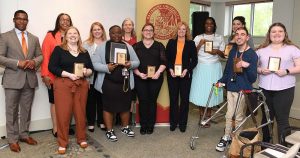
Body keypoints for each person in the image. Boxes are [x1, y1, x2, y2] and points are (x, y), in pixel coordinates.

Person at [0, 10, 43, 152]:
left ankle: (24, 134)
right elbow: (0, 57)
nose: (22, 21)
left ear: (27, 21)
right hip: (12, 79)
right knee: (11, 110)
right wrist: (18, 63)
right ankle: (12, 139)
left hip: (29, 79)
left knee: (26, 109)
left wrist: (33, 61)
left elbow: (40, 56)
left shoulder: (34, 38)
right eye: (19, 19)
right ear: (14, 20)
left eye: (25, 19)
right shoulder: (5, 37)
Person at [48, 26, 93, 154]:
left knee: (80, 113)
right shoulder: (59, 50)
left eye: (75, 33)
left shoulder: (84, 51)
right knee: (63, 114)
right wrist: (69, 74)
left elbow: (91, 68)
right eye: (70, 33)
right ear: (65, 36)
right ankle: (62, 142)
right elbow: (52, 67)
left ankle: (81, 138)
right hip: (63, 85)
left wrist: (86, 72)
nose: (73, 35)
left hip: (81, 85)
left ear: (78, 36)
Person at [93, 25, 140, 142]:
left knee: (125, 106)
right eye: (113, 33)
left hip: (125, 82)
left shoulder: (128, 46)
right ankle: (109, 130)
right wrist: (106, 67)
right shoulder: (101, 47)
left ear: (122, 34)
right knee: (108, 107)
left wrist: (130, 64)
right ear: (109, 34)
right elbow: (94, 64)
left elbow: (137, 62)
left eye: (119, 33)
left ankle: (125, 127)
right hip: (108, 83)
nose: (116, 35)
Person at [215, 27, 258, 152]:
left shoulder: (252, 54)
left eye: (242, 34)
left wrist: (246, 65)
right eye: (237, 34)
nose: (239, 36)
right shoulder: (233, 51)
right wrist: (221, 81)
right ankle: (227, 136)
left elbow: (252, 78)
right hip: (231, 87)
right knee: (229, 114)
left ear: (247, 38)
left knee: (238, 116)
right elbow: (228, 70)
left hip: (242, 89)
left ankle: (236, 139)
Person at [257, 23, 300, 143]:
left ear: (285, 33)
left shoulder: (293, 49)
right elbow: (254, 67)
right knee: (265, 120)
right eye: (273, 31)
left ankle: (284, 149)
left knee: (282, 120)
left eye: (280, 31)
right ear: (269, 34)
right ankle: (265, 146)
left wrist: (287, 71)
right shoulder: (261, 50)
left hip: (284, 90)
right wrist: (260, 70)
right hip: (264, 89)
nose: (277, 34)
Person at [41, 13, 73, 137]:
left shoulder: (73, 35)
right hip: (53, 76)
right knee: (55, 102)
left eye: (67, 20)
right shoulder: (50, 36)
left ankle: (66, 126)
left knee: (69, 102)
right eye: (62, 20)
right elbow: (45, 56)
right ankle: (56, 128)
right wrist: (44, 75)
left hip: (70, 76)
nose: (65, 22)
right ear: (58, 21)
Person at [189, 17, 225, 128]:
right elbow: (192, 54)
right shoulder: (198, 37)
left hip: (214, 68)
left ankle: (208, 116)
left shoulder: (219, 37)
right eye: (206, 23)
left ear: (214, 25)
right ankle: (201, 116)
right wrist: (199, 44)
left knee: (211, 91)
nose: (209, 25)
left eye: (211, 23)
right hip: (200, 67)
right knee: (202, 92)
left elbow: (224, 54)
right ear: (204, 25)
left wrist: (217, 51)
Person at [133, 23, 167, 135]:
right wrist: (138, 73)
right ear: (142, 32)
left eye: (151, 30)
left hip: (156, 78)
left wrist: (158, 73)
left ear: (153, 33)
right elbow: (131, 63)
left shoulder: (159, 45)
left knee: (152, 101)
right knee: (142, 101)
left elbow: (164, 62)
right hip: (140, 78)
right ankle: (143, 125)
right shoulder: (136, 46)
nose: (148, 32)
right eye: (146, 30)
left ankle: (150, 125)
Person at [166, 21, 198, 132]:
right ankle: (173, 123)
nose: (181, 31)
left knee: (184, 100)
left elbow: (195, 61)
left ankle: (183, 123)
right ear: (176, 30)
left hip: (185, 75)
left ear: (186, 31)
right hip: (172, 75)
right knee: (173, 99)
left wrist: (187, 69)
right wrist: (170, 69)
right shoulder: (171, 42)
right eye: (179, 29)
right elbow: (167, 59)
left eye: (184, 29)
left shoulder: (191, 43)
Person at [83, 22, 107, 132]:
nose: (97, 31)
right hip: (90, 75)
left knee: (102, 100)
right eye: (94, 29)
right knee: (90, 100)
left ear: (102, 30)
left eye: (99, 29)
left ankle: (102, 121)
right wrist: (86, 79)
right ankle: (91, 122)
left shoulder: (107, 43)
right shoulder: (85, 44)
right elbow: (83, 61)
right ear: (91, 32)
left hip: (103, 75)